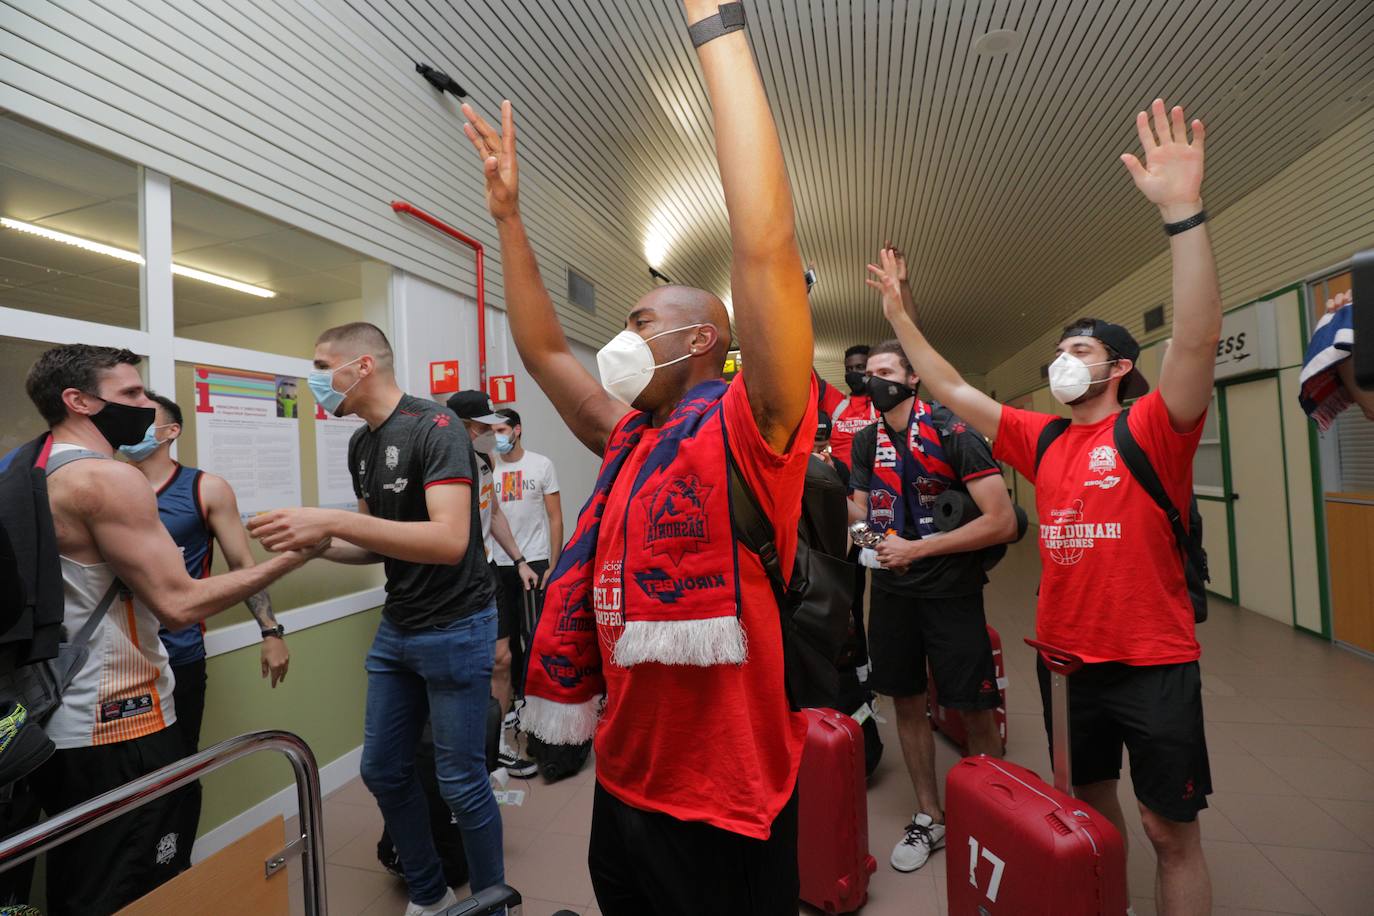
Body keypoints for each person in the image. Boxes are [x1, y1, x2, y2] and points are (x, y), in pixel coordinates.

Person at [459, 0, 815, 908]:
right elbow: (545, 352)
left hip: (726, 801)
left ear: (701, 341)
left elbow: (765, 246)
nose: (622, 337)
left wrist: (716, 33)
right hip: (624, 785)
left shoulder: (753, 427)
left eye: (640, 320)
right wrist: (508, 216)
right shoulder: (631, 439)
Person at [865, 99, 1220, 915]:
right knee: (1088, 812)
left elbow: (1198, 339)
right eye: (1059, 351)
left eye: (1080, 351)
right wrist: (901, 317)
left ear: (1120, 367)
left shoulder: (1153, 426)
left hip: (1153, 661)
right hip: (1064, 664)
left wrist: (1181, 214)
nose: (1063, 362)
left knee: (1169, 832)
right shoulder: (1043, 438)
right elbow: (949, 386)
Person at [22, 344, 322, 914]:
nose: (144, 404)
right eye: (131, 392)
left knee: (84, 871)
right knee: (131, 881)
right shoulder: (109, 478)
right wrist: (295, 557)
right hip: (118, 716)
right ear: (78, 401)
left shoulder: (32, 466)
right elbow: (179, 604)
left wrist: (270, 629)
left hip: (58, 713)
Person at [248, 324, 504, 916]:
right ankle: (430, 894)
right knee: (383, 769)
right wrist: (316, 546)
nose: (313, 379)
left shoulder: (436, 427)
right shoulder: (362, 444)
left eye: (321, 366)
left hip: (457, 626)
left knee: (461, 782)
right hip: (399, 627)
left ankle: (494, 904)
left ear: (361, 366)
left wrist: (331, 521)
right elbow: (377, 542)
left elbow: (448, 540)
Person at [846, 339, 1018, 874]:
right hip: (892, 591)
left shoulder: (952, 430)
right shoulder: (866, 441)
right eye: (868, 373)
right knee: (905, 699)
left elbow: (1003, 521)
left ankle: (990, 815)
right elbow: (858, 512)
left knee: (973, 704)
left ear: (912, 378)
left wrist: (916, 549)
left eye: (885, 371)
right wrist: (872, 540)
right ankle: (930, 814)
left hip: (951, 590)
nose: (873, 380)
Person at [122, 390, 292, 872]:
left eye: (142, 418)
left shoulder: (205, 489)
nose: (129, 427)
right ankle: (132, 882)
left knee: (178, 768)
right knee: (123, 780)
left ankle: (174, 869)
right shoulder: (108, 484)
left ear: (170, 431)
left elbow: (243, 565)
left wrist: (271, 632)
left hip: (178, 655)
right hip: (115, 660)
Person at [446, 390, 539, 779]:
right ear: (464, 426)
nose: (490, 433)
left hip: (487, 570)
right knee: (464, 666)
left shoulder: (484, 461)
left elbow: (494, 513)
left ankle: (495, 744)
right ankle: (461, 751)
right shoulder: (444, 461)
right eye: (483, 426)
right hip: (454, 577)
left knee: (503, 659)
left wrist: (519, 560)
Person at [489, 408, 563, 701]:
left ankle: (538, 698)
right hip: (498, 563)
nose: (496, 437)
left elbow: (555, 518)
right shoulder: (488, 466)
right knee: (505, 641)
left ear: (517, 430)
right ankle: (516, 698)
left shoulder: (541, 465)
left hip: (534, 560)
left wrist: (554, 565)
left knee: (533, 633)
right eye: (492, 432)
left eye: (501, 431)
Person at [829, 343, 877, 469]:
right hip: (839, 477)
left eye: (860, 367)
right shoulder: (836, 403)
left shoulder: (887, 404)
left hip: (875, 477)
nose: (853, 373)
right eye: (848, 369)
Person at [813, 410, 850, 489]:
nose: (816, 451)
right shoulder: (792, 464)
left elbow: (847, 495)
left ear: (829, 441)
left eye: (821, 447)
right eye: (811, 448)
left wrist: (832, 473)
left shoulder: (839, 468)